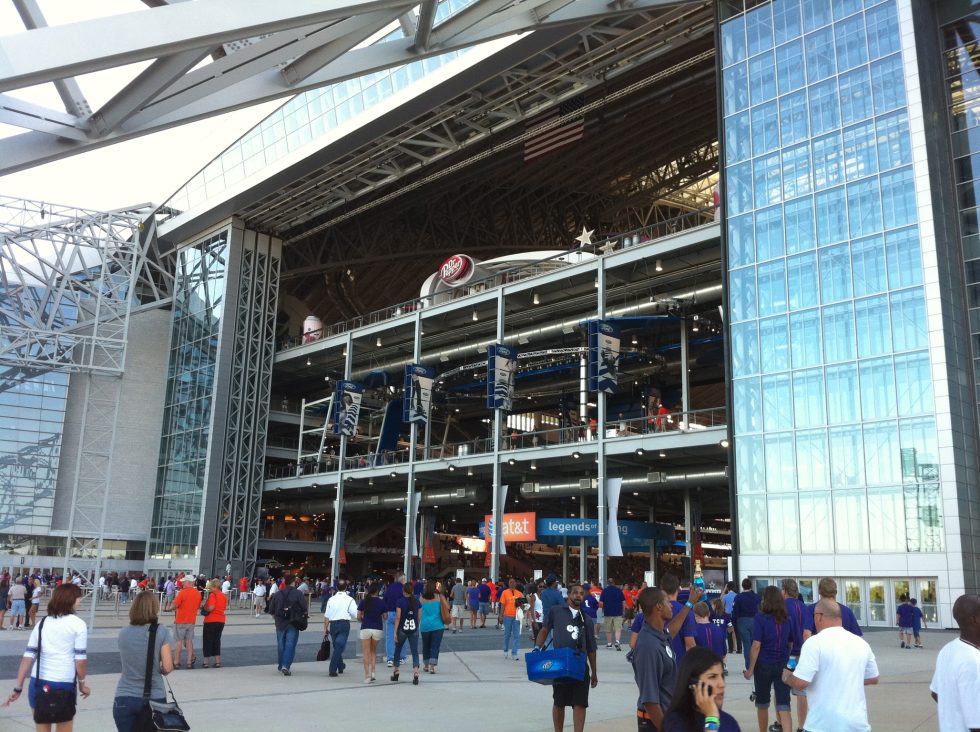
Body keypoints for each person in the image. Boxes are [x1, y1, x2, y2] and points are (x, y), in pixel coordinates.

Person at [3, 584, 90, 730]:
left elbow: (28, 657)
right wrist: (82, 684)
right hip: (64, 684)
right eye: (78, 597)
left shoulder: (42, 623)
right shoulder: (78, 624)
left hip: (38, 684)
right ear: (70, 600)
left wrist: (18, 688)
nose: (80, 600)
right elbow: (80, 660)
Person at [783, 599, 879, 732]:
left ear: (819, 617)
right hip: (858, 724)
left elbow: (801, 682)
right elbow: (873, 678)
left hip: (823, 725)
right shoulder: (861, 643)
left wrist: (787, 677)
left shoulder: (814, 643)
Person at [534, 582, 598, 732]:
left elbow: (591, 648)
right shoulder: (556, 611)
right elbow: (545, 630)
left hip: (580, 663)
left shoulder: (586, 619)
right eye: (575, 592)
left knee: (580, 703)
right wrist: (537, 648)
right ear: (568, 595)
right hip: (560, 662)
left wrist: (594, 672)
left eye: (581, 594)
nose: (578, 596)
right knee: (559, 702)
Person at [112, 591, 175, 732]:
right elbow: (168, 667)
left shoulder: (123, 633)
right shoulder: (162, 631)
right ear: (154, 608)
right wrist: (161, 669)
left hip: (124, 697)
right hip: (154, 698)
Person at [743, 585, 795, 732]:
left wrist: (750, 669)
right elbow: (791, 642)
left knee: (762, 703)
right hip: (782, 665)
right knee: (784, 704)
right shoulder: (787, 619)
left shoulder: (760, 618)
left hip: (764, 665)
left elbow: (756, 645)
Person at [929, 593, 980, 731]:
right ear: (974, 620)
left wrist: (955, 714)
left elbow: (936, 692)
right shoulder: (973, 662)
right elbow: (977, 725)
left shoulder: (948, 649)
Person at [663, 647, 740, 732]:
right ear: (693, 684)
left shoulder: (729, 722)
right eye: (712, 677)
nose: (722, 684)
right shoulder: (675, 723)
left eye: (722, 676)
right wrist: (712, 720)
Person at [632, 587, 677, 731]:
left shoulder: (660, 635)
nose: (671, 605)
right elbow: (650, 700)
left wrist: (689, 604)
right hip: (655, 723)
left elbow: (673, 630)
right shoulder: (648, 646)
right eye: (667, 602)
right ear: (658, 606)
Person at [268, 575, 306, 676]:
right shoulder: (298, 593)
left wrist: (276, 619)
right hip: (293, 622)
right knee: (290, 644)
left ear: (285, 582)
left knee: (281, 645)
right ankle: (286, 665)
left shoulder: (277, 594)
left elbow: (271, 610)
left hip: (280, 623)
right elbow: (304, 608)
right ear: (294, 582)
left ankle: (281, 665)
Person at [324, 578, 357, 678]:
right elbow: (355, 613)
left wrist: (325, 629)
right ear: (346, 587)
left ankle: (341, 666)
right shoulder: (350, 599)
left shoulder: (331, 599)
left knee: (336, 646)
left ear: (336, 588)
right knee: (339, 647)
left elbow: (326, 616)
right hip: (344, 624)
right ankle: (332, 669)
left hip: (333, 625)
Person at [391, 582, 421, 685]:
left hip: (402, 629)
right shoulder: (417, 602)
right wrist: (416, 625)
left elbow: (398, 617)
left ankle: (396, 671)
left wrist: (395, 631)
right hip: (414, 629)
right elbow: (419, 617)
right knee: (414, 651)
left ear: (403, 591)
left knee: (397, 650)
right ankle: (416, 672)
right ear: (412, 591)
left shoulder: (400, 602)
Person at [357, 582, 386, 683]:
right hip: (377, 628)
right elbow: (385, 617)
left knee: (366, 652)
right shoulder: (381, 602)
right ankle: (373, 672)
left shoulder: (364, 601)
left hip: (365, 627)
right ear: (378, 591)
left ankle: (366, 676)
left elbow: (358, 616)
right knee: (373, 651)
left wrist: (362, 620)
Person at [171, 576, 201, 669]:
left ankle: (176, 662)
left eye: (184, 582)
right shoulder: (198, 593)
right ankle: (189, 662)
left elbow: (175, 605)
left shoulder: (182, 593)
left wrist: (172, 605)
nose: (182, 583)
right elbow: (198, 606)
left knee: (178, 642)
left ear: (189, 582)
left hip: (180, 620)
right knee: (189, 641)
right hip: (191, 621)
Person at [419, 580, 447, 672]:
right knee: (435, 646)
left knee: (426, 645)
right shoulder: (439, 597)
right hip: (438, 625)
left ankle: (426, 665)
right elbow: (447, 607)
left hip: (425, 626)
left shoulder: (421, 598)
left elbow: (418, 613)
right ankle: (432, 666)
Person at [731, 578, 759, 670]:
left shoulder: (738, 597)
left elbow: (735, 612)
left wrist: (734, 624)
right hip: (755, 621)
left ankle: (749, 667)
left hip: (742, 621)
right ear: (751, 586)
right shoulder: (756, 596)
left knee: (747, 645)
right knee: (756, 644)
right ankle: (757, 666)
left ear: (742, 586)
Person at [201, 578, 228, 669]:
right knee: (217, 640)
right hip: (221, 620)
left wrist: (205, 608)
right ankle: (217, 661)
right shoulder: (223, 596)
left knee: (207, 640)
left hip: (211, 620)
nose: (210, 589)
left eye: (211, 587)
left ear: (214, 587)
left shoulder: (213, 595)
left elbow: (211, 607)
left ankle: (206, 662)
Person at [499, 578, 524, 661]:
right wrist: (501, 616)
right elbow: (502, 605)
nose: (512, 583)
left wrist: (524, 605)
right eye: (510, 582)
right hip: (507, 616)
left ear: (516, 584)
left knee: (516, 635)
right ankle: (505, 650)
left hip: (517, 617)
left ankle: (514, 653)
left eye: (513, 582)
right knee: (507, 634)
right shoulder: (504, 593)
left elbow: (523, 606)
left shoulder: (519, 594)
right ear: (508, 583)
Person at [382, 573, 405, 666]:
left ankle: (390, 658)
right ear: (402, 579)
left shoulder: (390, 587)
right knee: (402, 636)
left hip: (390, 613)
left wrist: (385, 612)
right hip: (401, 614)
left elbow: (384, 600)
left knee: (389, 636)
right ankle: (401, 657)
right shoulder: (404, 589)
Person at [599, 577, 626, 651]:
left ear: (607, 583)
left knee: (608, 629)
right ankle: (617, 641)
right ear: (614, 583)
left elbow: (601, 602)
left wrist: (602, 610)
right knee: (618, 629)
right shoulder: (619, 590)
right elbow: (623, 601)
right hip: (618, 612)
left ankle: (609, 643)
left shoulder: (604, 591)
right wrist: (623, 611)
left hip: (608, 612)